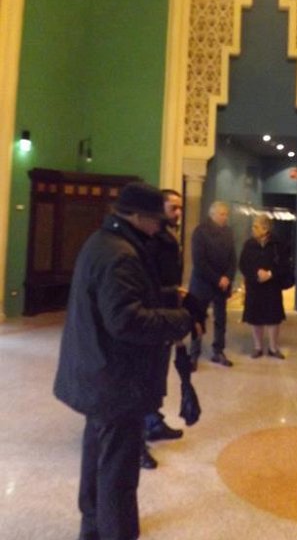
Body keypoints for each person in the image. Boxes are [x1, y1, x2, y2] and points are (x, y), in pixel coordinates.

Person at [53, 182, 204, 540]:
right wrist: (183, 320)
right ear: (136, 216)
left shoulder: (103, 242)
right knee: (118, 472)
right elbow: (126, 320)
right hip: (115, 380)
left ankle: (92, 527)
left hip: (97, 372)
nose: (159, 227)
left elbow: (122, 299)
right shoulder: (121, 253)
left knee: (98, 456)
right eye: (155, 219)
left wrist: (169, 295)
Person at [140, 189, 190, 470]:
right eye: (174, 208)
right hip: (152, 315)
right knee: (145, 376)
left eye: (180, 208)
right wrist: (168, 293)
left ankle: (153, 421)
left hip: (165, 313)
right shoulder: (149, 240)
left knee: (157, 372)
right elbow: (147, 281)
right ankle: (138, 438)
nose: (178, 213)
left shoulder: (166, 237)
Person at [189, 200, 236, 368]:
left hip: (222, 285)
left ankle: (218, 351)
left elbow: (232, 258)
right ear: (213, 214)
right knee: (198, 318)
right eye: (222, 214)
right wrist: (218, 279)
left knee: (220, 320)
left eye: (226, 214)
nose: (225, 217)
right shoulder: (200, 232)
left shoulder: (228, 232)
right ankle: (194, 353)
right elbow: (199, 261)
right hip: (202, 283)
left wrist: (228, 277)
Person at [239, 213, 291, 359]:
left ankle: (273, 348)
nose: (253, 229)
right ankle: (258, 347)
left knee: (273, 317)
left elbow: (284, 264)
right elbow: (243, 264)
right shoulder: (249, 244)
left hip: (272, 286)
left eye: (256, 227)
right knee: (255, 317)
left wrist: (270, 273)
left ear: (265, 228)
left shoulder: (277, 244)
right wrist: (256, 273)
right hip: (254, 286)